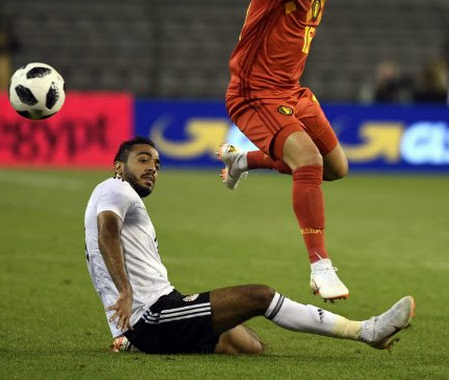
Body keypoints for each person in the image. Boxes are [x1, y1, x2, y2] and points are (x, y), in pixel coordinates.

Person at [84, 137, 415, 355]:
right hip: (153, 317)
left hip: (158, 311)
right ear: (118, 167)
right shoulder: (116, 190)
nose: (152, 169)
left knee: (247, 345)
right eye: (143, 161)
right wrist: (125, 291)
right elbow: (107, 232)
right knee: (260, 296)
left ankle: (131, 343)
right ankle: (365, 331)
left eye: (156, 164)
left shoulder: (120, 197)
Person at [218, 0, 364, 301]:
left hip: (292, 91)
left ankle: (243, 160)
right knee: (309, 161)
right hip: (254, 93)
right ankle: (320, 266)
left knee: (337, 169)